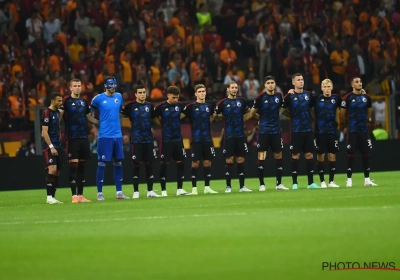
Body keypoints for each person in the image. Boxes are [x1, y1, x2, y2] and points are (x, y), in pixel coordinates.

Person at [244, 76, 288, 191]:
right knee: (261, 156)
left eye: (272, 82)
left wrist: (279, 114)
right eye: (268, 83)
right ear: (265, 85)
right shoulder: (260, 97)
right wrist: (259, 117)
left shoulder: (279, 95)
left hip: (276, 131)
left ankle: (279, 184)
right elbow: (252, 113)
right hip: (263, 131)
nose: (270, 85)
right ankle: (262, 184)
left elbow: (282, 108)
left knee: (278, 156)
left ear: (275, 84)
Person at [90, 76, 129, 201]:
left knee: (118, 163)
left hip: (117, 135)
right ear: (105, 86)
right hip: (104, 136)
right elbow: (87, 113)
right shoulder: (98, 99)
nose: (113, 87)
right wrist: (96, 122)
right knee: (101, 163)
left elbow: (120, 112)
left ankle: (119, 192)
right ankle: (99, 193)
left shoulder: (119, 97)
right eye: (110, 85)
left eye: (114, 85)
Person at [59, 78, 99, 203]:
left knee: (82, 167)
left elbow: (88, 117)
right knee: (73, 166)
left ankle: (81, 195)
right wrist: (52, 128)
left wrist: (101, 122)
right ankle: (74, 196)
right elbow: (59, 116)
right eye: (75, 86)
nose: (77, 88)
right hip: (72, 138)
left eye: (79, 85)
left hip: (83, 138)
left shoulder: (83, 101)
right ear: (70, 88)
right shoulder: (66, 101)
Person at [121, 85, 161, 198]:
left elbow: (155, 119)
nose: (142, 94)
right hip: (136, 140)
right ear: (136, 94)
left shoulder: (149, 106)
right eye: (140, 92)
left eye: (144, 92)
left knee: (149, 164)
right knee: (136, 165)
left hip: (148, 140)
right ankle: (136, 192)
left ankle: (150, 191)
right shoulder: (130, 106)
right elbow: (120, 114)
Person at [283, 73, 320, 190]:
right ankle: (295, 183)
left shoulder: (309, 95)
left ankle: (311, 183)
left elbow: (314, 109)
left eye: (302, 79)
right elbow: (282, 109)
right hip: (296, 130)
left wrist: (314, 121)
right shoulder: (289, 96)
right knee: (295, 155)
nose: (301, 81)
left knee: (309, 155)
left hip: (308, 130)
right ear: (293, 82)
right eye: (298, 80)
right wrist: (290, 115)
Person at [213, 82, 252, 193]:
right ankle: (228, 186)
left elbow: (250, 113)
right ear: (228, 89)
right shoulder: (222, 103)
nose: (234, 89)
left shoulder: (242, 101)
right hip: (229, 135)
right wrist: (223, 119)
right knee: (229, 160)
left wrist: (241, 120)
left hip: (240, 135)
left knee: (241, 159)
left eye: (236, 88)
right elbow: (215, 116)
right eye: (232, 88)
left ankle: (242, 186)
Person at [340, 77, 378, 187]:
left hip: (363, 131)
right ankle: (349, 180)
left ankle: (367, 179)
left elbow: (369, 112)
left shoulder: (367, 98)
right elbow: (342, 115)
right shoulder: (347, 98)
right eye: (356, 82)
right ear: (352, 85)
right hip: (352, 130)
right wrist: (346, 125)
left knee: (366, 155)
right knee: (350, 155)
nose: (359, 83)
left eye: (360, 81)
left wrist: (365, 122)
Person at [181, 84, 218, 195]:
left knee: (207, 163)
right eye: (200, 91)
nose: (202, 93)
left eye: (203, 91)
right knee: (195, 163)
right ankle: (194, 189)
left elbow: (213, 117)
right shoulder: (190, 107)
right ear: (196, 93)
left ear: (205, 93)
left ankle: (207, 187)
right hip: (196, 139)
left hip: (207, 139)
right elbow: (180, 116)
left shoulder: (209, 107)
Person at [154, 86, 190, 196]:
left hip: (178, 139)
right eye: (174, 97)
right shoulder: (160, 107)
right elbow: (154, 117)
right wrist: (162, 123)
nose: (176, 100)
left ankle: (180, 189)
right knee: (164, 163)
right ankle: (163, 190)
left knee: (181, 163)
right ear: (168, 95)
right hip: (166, 140)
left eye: (177, 98)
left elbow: (183, 114)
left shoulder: (179, 105)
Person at [313, 79, 342, 188]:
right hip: (320, 132)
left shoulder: (336, 98)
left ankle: (331, 181)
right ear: (321, 88)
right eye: (324, 86)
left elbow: (347, 104)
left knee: (332, 155)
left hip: (332, 132)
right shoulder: (316, 99)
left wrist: (361, 93)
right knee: (321, 156)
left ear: (332, 87)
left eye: (328, 86)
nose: (327, 88)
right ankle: (322, 181)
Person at [41, 92, 64, 204]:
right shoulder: (47, 112)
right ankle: (49, 197)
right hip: (49, 146)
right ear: (52, 101)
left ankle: (53, 197)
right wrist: (51, 147)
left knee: (57, 172)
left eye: (61, 100)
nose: (60, 102)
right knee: (52, 169)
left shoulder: (56, 112)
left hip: (58, 145)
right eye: (58, 101)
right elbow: (44, 132)